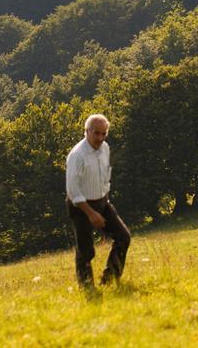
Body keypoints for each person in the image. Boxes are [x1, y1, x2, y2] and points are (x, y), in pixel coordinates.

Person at [66, 113, 130, 287]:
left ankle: (109, 279)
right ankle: (87, 287)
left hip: (102, 201)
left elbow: (105, 176)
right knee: (86, 251)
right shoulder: (77, 156)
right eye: (96, 133)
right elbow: (73, 191)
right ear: (87, 131)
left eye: (104, 134)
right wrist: (91, 213)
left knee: (123, 237)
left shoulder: (106, 148)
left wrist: (105, 202)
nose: (100, 138)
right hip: (80, 206)